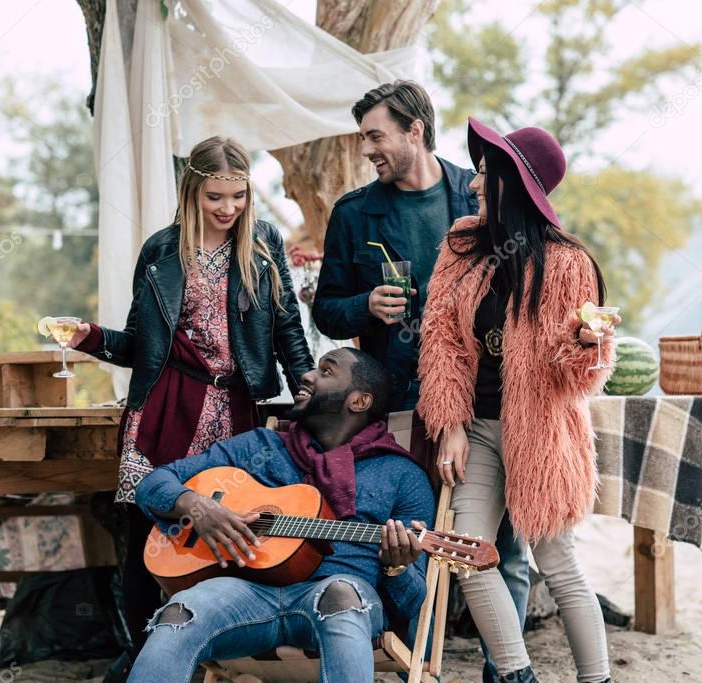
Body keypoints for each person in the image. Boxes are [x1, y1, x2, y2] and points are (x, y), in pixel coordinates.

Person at [67, 136, 314, 679]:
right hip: (163, 406)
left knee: (234, 533)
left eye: (238, 197)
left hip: (237, 407)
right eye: (214, 198)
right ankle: (140, 655)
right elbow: (139, 344)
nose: (228, 210)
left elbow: (289, 331)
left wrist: (305, 388)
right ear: (190, 193)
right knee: (147, 536)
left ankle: (218, 652)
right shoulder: (160, 250)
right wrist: (91, 339)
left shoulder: (264, 242)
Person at [311, 80, 530, 681]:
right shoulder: (354, 214)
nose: (367, 150)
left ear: (415, 130)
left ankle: (503, 671)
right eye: (363, 139)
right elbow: (326, 308)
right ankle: (418, 660)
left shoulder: (478, 195)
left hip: (488, 404)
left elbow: (525, 280)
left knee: (503, 547)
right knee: (408, 537)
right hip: (400, 403)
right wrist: (364, 306)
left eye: (376, 136)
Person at [416, 117, 620, 683]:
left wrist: (583, 345)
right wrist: (451, 423)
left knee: (558, 564)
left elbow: (577, 378)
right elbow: (439, 339)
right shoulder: (461, 245)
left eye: (485, 173)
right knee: (467, 554)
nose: (475, 184)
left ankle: (596, 679)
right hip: (478, 429)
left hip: (544, 435)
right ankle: (515, 674)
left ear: (513, 182)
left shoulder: (567, 263)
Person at [127, 348, 435, 682]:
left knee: (342, 595)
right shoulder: (260, 447)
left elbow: (411, 603)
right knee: (179, 610)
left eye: (326, 371)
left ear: (358, 401)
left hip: (338, 598)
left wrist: (396, 566)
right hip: (246, 594)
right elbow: (152, 483)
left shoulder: (402, 475)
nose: (306, 375)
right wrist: (198, 508)